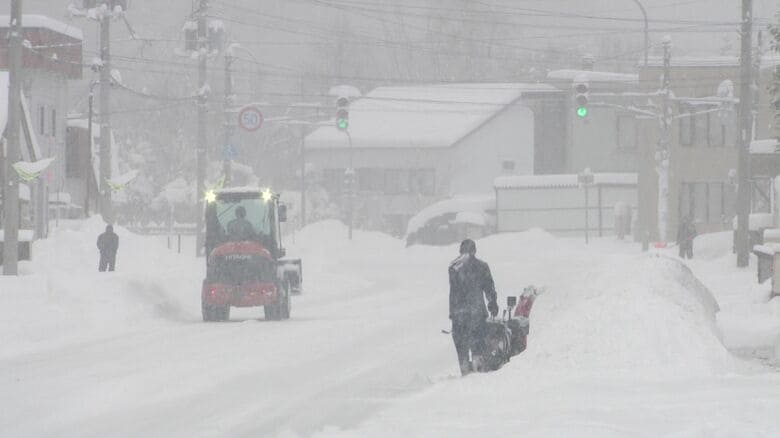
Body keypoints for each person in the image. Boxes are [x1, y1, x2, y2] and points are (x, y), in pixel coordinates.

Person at [448, 238, 499, 376]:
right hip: (477, 313)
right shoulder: (482, 266)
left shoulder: (453, 267)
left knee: (462, 348)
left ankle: (465, 370)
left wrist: (453, 313)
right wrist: (492, 303)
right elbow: (489, 288)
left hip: (458, 314)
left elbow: (454, 292)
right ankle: (477, 369)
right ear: (474, 251)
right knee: (478, 345)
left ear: (460, 251)